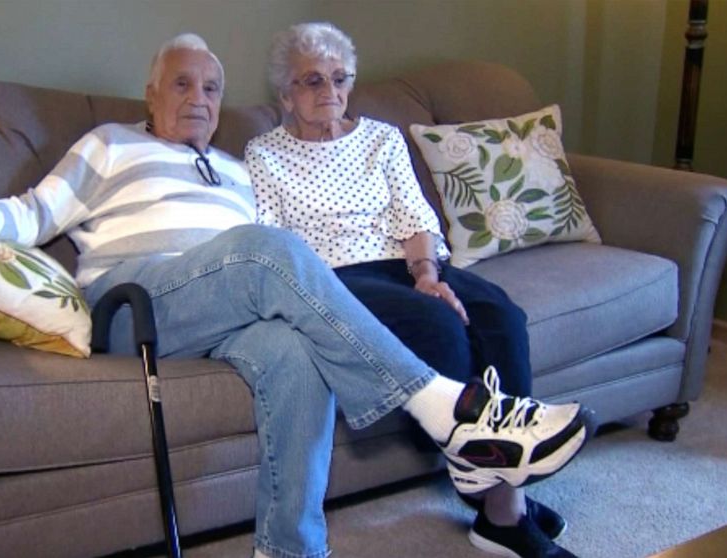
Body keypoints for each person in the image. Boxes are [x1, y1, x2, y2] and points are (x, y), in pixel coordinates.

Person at [0, 33, 590, 558]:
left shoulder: (235, 168)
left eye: (211, 89)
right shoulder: (108, 145)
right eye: (182, 85)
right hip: (141, 301)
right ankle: (450, 412)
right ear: (152, 94)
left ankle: (290, 549)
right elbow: (32, 214)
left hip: (229, 307)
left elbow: (286, 271)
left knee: (294, 351)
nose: (198, 99)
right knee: (270, 251)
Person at [246, 22, 581, 558]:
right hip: (335, 277)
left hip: (408, 262)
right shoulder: (264, 154)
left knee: (500, 314)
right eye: (312, 81)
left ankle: (502, 497)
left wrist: (428, 276)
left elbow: (412, 213)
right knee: (439, 328)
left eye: (339, 78)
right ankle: (505, 513)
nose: (329, 92)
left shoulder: (381, 137)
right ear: (284, 94)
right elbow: (275, 241)